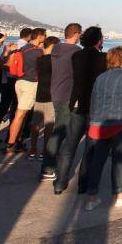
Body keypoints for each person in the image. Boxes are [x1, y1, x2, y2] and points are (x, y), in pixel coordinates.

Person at [84, 46, 122, 211]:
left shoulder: (100, 78)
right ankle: (119, 195)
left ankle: (91, 197)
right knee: (118, 160)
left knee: (98, 161)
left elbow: (93, 99)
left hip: (99, 124)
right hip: (118, 124)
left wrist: (92, 120)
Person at [53, 26, 106, 195]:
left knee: (69, 146)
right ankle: (83, 184)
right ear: (99, 40)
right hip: (95, 108)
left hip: (77, 104)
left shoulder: (76, 56)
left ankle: (60, 183)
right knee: (90, 148)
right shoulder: (104, 59)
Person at [40, 23, 82, 180]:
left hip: (56, 93)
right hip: (66, 95)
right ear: (76, 34)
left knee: (60, 129)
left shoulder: (56, 48)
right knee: (60, 131)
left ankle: (51, 162)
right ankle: (48, 168)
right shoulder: (76, 51)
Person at [5, 28, 45, 152]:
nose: (45, 38)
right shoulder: (38, 52)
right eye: (44, 36)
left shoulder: (24, 48)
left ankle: (16, 140)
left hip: (20, 82)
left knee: (21, 113)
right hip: (30, 84)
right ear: (39, 37)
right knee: (20, 114)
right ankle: (11, 144)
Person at [29, 36, 59, 160]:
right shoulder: (55, 60)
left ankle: (33, 149)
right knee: (49, 124)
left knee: (36, 124)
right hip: (51, 94)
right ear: (53, 46)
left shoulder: (39, 59)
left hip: (40, 93)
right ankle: (45, 150)